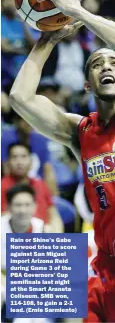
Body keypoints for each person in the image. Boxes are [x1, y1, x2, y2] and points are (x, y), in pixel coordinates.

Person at [9, 0, 115, 320]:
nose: (105, 66)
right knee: (36, 305)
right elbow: (20, 97)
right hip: (109, 267)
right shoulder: (80, 132)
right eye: (96, 63)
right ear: (88, 85)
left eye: (113, 62)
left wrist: (78, 11)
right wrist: (47, 39)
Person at [1, 184, 44, 317]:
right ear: (8, 207)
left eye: (27, 205)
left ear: (35, 207)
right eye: (18, 205)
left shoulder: (40, 227)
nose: (23, 210)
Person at [1, 143, 63, 233]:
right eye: (14, 157)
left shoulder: (41, 184)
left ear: (31, 161)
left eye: (23, 156)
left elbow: (54, 215)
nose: (19, 162)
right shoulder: (1, 186)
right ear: (7, 162)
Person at [1, 113, 59, 196]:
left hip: (37, 184)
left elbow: (48, 170)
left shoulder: (40, 139)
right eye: (23, 119)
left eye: (30, 120)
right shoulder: (6, 138)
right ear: (16, 122)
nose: (27, 123)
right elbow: (7, 169)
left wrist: (53, 196)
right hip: (15, 185)